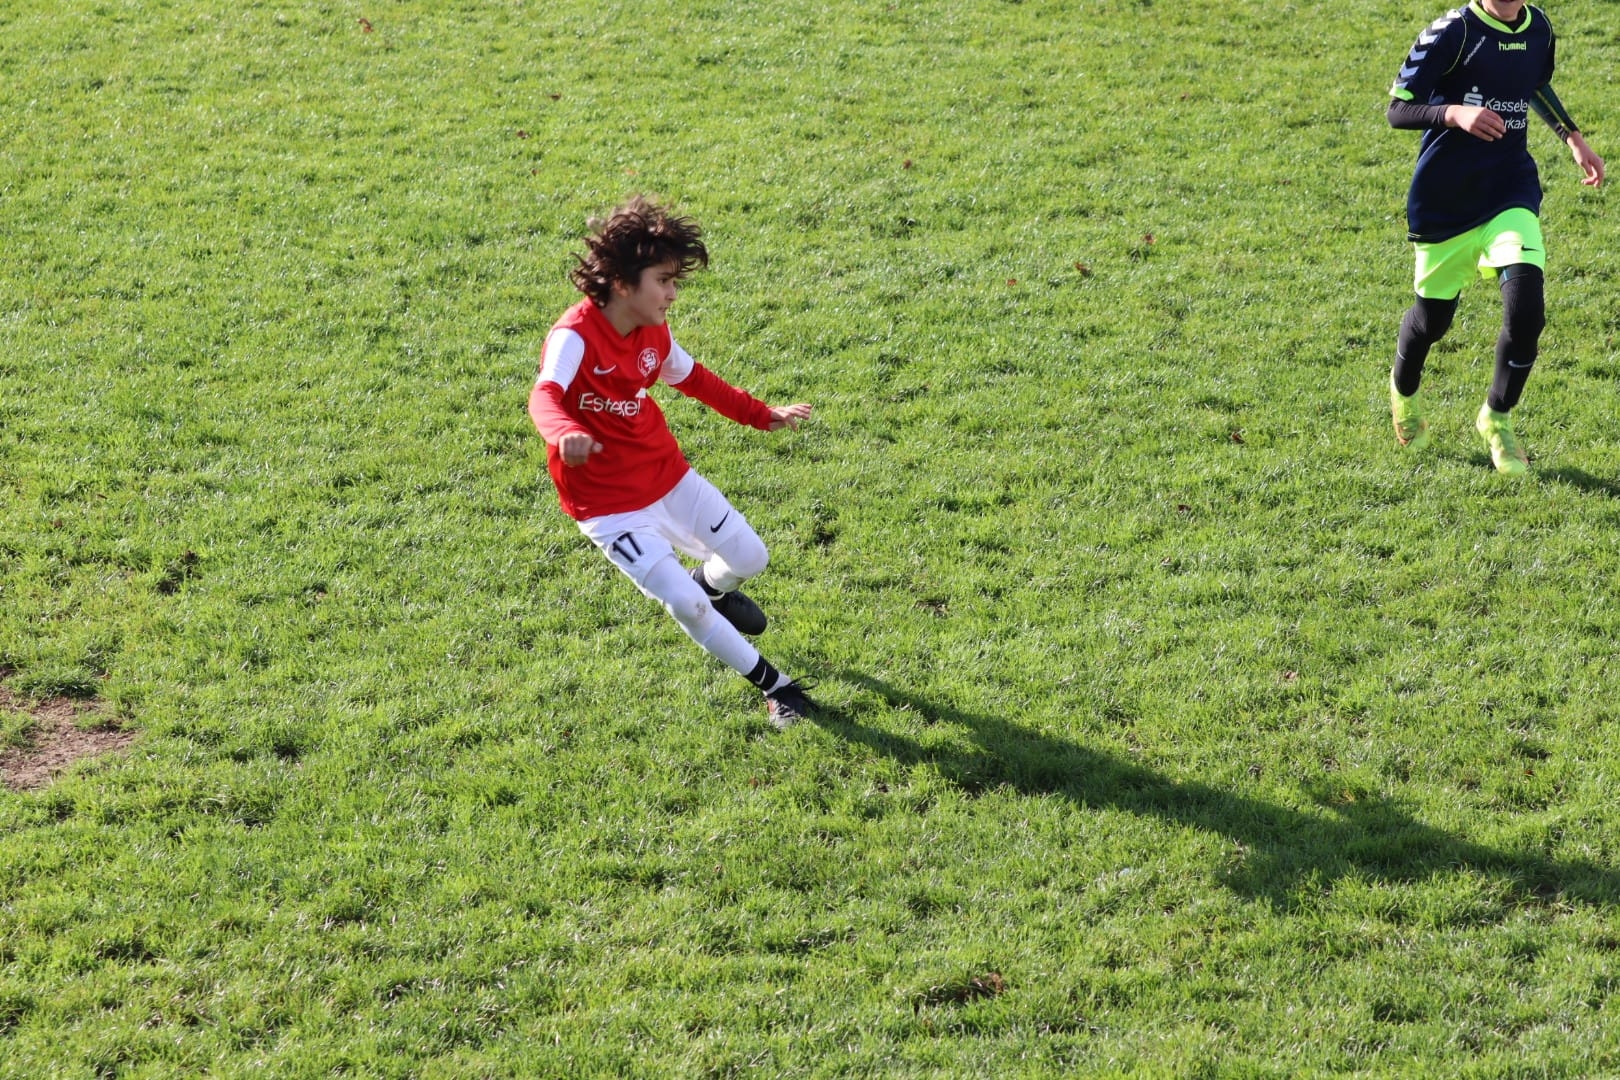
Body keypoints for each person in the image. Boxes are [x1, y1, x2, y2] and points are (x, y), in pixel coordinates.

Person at [528, 196, 819, 728]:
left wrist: (761, 415)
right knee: (686, 605)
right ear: (623, 283)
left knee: (751, 557)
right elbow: (543, 395)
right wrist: (564, 430)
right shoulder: (574, 335)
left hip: (667, 475)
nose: (672, 293)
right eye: (663, 281)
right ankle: (778, 688)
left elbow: (694, 379)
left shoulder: (654, 333)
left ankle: (712, 585)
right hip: (607, 506)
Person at [1386, 0, 1603, 474]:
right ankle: (1404, 393)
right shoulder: (1452, 32)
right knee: (1431, 321)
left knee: (1527, 311)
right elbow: (1397, 109)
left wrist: (1572, 136)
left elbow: (1534, 82)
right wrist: (1454, 114)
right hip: (1445, 201)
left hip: (1510, 191)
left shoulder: (1539, 27)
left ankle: (1497, 418)